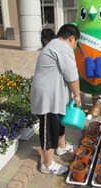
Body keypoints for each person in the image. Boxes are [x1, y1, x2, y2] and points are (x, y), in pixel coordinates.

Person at [31, 24, 81, 175]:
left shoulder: (55, 45)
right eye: (76, 43)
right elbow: (72, 74)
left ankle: (61, 146)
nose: (74, 46)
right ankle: (47, 165)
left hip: (54, 94)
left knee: (59, 122)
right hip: (47, 97)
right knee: (49, 130)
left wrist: (71, 92)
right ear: (72, 38)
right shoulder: (63, 47)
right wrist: (77, 95)